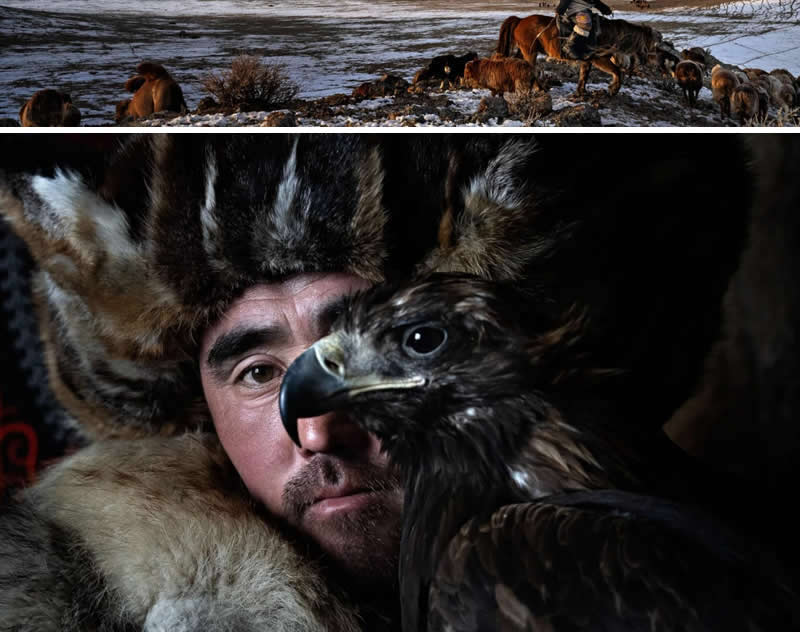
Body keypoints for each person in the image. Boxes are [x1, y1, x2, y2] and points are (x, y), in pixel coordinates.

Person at [0, 133, 794, 630]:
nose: (317, 430)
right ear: (192, 416)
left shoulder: (619, 556)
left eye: (401, 341)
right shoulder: (77, 599)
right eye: (256, 371)